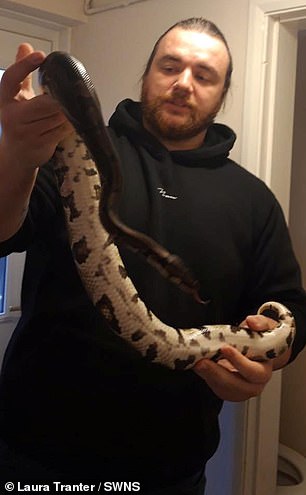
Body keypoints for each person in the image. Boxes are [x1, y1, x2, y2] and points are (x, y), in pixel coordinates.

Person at [0, 16, 305, 495]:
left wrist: (268, 359)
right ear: (146, 75)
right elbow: (3, 231)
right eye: (171, 66)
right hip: (34, 457)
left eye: (204, 75)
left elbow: (290, 308)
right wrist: (17, 154)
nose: (184, 83)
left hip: (171, 471)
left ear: (223, 94)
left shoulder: (254, 199)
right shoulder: (65, 141)